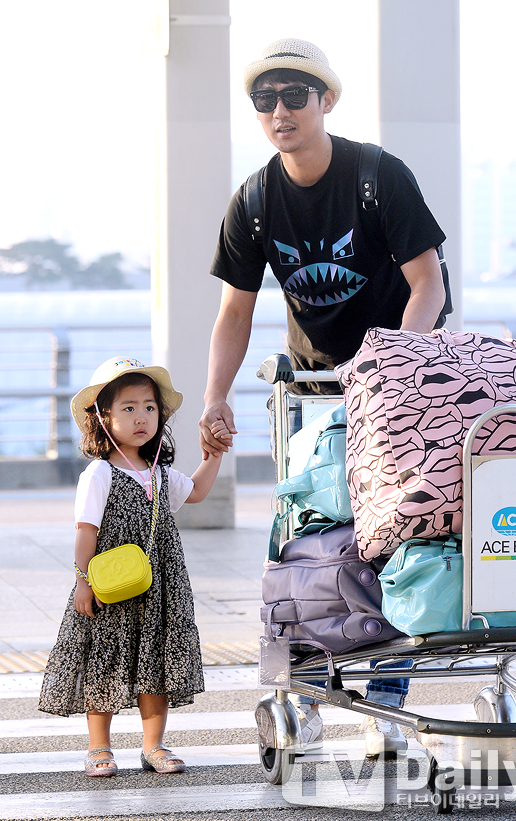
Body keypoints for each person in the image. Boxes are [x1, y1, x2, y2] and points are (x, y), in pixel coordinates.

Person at [199, 38, 447, 757]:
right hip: (314, 390)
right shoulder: (254, 201)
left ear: (326, 100)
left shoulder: (377, 175)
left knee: (399, 541)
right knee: (303, 544)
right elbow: (235, 311)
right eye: (264, 99)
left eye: (294, 95)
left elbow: (428, 282)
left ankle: (387, 705)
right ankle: (303, 696)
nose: (279, 111)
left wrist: (390, 369)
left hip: (399, 382)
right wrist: (215, 398)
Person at [39, 356, 223, 776]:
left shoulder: (159, 472)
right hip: (111, 587)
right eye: (128, 407)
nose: (141, 417)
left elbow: (195, 492)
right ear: (102, 417)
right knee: (104, 660)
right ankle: (98, 747)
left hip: (160, 585)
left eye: (149, 407)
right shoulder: (99, 473)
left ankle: (153, 745)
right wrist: (83, 582)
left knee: (156, 662)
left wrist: (213, 455)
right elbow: (86, 532)